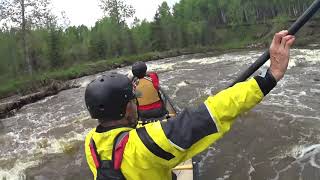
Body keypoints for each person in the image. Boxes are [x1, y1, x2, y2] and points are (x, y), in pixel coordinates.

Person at [84, 30, 295, 180]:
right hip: (158, 119)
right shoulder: (149, 143)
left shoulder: (90, 143)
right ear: (128, 107)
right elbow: (216, 110)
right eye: (132, 100)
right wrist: (270, 77)